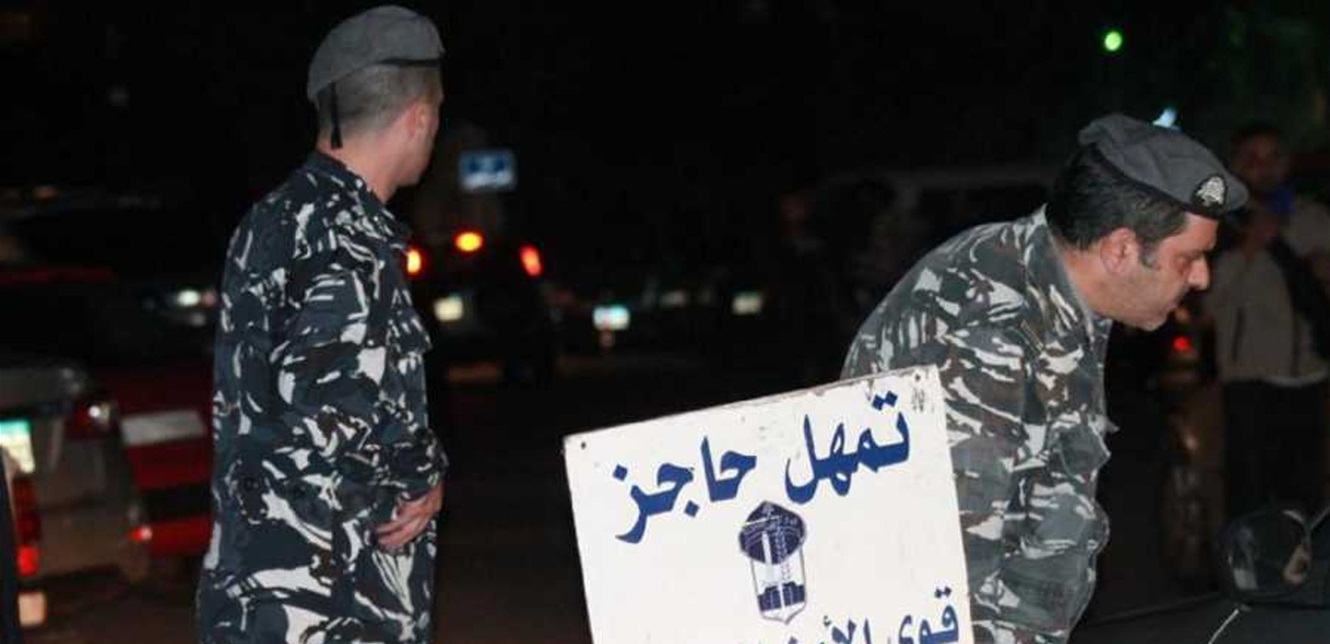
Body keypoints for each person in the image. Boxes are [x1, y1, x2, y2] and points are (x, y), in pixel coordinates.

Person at [842, 113, 1246, 642]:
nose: (1202, 277)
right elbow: (957, 584)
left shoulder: (1055, 281)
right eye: (1188, 259)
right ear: (1121, 249)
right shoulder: (989, 331)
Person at [196, 6, 449, 642]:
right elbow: (330, 394)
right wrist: (421, 473)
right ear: (418, 118)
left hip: (256, 593)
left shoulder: (271, 219)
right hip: (331, 604)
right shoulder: (348, 236)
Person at [1204, 122, 1330, 521]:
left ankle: (1299, 561)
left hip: (1311, 374)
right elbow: (1207, 303)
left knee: (1305, 496)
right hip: (1251, 379)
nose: (1265, 167)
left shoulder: (1312, 216)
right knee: (1251, 495)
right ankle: (1245, 562)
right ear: (1236, 165)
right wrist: (1248, 249)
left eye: (1273, 157)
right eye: (1253, 159)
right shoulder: (1218, 224)